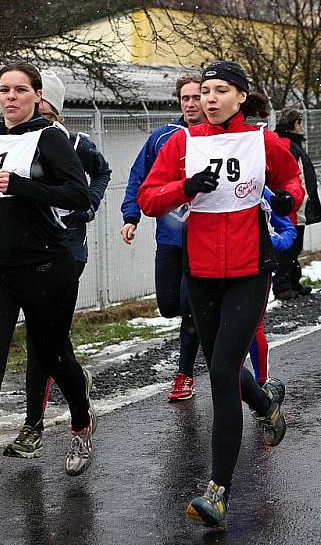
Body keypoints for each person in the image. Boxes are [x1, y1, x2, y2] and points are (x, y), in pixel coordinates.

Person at [137, 60, 304, 530]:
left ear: (241, 97)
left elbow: (291, 181)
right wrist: (184, 187)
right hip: (203, 270)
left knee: (224, 370)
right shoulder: (181, 143)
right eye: (204, 91)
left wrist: (288, 199)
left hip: (251, 269)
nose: (209, 99)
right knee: (220, 366)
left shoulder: (263, 141)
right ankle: (266, 402)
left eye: (220, 91)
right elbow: (150, 198)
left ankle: (218, 491)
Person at [0, 62, 96, 521]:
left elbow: (79, 196)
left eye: (20, 90)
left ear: (37, 95)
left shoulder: (50, 137)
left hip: (45, 265)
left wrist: (26, 187)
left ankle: (82, 418)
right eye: (4, 89)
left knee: (52, 354)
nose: (10, 97)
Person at [1, 71, 111, 460]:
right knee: (46, 343)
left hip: (67, 252)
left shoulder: (77, 143)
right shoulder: (12, 142)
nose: (36, 113)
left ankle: (41, 424)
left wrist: (90, 203)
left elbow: (102, 171)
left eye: (44, 107)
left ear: (54, 107)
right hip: (29, 253)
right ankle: (58, 401)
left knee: (43, 343)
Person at [121, 73, 203, 402]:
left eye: (197, 97)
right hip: (169, 237)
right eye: (185, 98)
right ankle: (205, 321)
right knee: (169, 305)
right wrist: (131, 216)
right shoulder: (162, 137)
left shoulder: (217, 138)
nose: (191, 103)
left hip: (204, 241)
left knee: (192, 306)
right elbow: (139, 177)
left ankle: (184, 373)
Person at [272, 107, 321, 300]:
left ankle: (293, 281)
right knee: (291, 246)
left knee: (295, 246)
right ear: (296, 124)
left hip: (295, 203)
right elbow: (292, 176)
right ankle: (283, 286)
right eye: (300, 124)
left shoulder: (287, 143)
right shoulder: (287, 144)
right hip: (291, 205)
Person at [249, 187, 297, 387]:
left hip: (258, 266)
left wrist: (271, 242)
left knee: (253, 326)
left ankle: (262, 384)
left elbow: (288, 229)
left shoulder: (261, 190)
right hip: (217, 270)